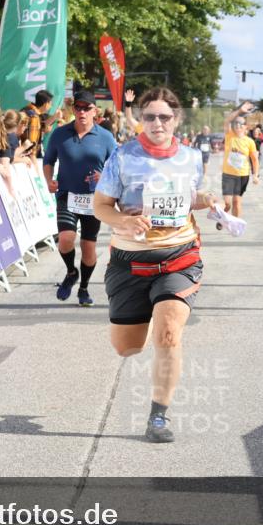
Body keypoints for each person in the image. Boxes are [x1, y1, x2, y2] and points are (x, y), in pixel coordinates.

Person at [92, 87, 216, 443]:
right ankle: (145, 318)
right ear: (141, 119)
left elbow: (188, 198)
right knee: (127, 347)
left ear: (176, 119)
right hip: (130, 260)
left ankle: (158, 416)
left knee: (169, 333)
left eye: (164, 117)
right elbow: (101, 207)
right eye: (150, 117)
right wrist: (124, 221)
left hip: (179, 256)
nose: (157, 123)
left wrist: (208, 200)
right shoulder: (123, 157)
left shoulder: (191, 157)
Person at [43, 90, 118, 306]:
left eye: (87, 108)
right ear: (73, 109)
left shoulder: (105, 137)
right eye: (78, 108)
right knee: (66, 238)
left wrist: (104, 177)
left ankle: (83, 288)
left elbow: (117, 166)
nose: (82, 112)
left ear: (95, 111)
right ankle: (71, 272)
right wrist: (49, 180)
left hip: (94, 199)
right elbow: (48, 160)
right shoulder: (60, 134)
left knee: (88, 248)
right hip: (67, 194)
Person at [220, 101, 260, 227]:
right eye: (235, 123)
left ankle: (235, 225)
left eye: (240, 124)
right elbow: (227, 121)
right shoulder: (229, 136)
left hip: (242, 175)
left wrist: (255, 175)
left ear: (245, 127)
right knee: (227, 203)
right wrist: (240, 111)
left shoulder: (250, 142)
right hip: (228, 174)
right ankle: (223, 217)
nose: (237, 125)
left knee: (237, 201)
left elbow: (254, 160)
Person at [21, 89, 54, 158]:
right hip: (28, 156)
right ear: (46, 104)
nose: (51, 106)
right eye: (51, 104)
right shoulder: (34, 117)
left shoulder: (26, 110)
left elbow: (41, 126)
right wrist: (34, 162)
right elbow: (31, 144)